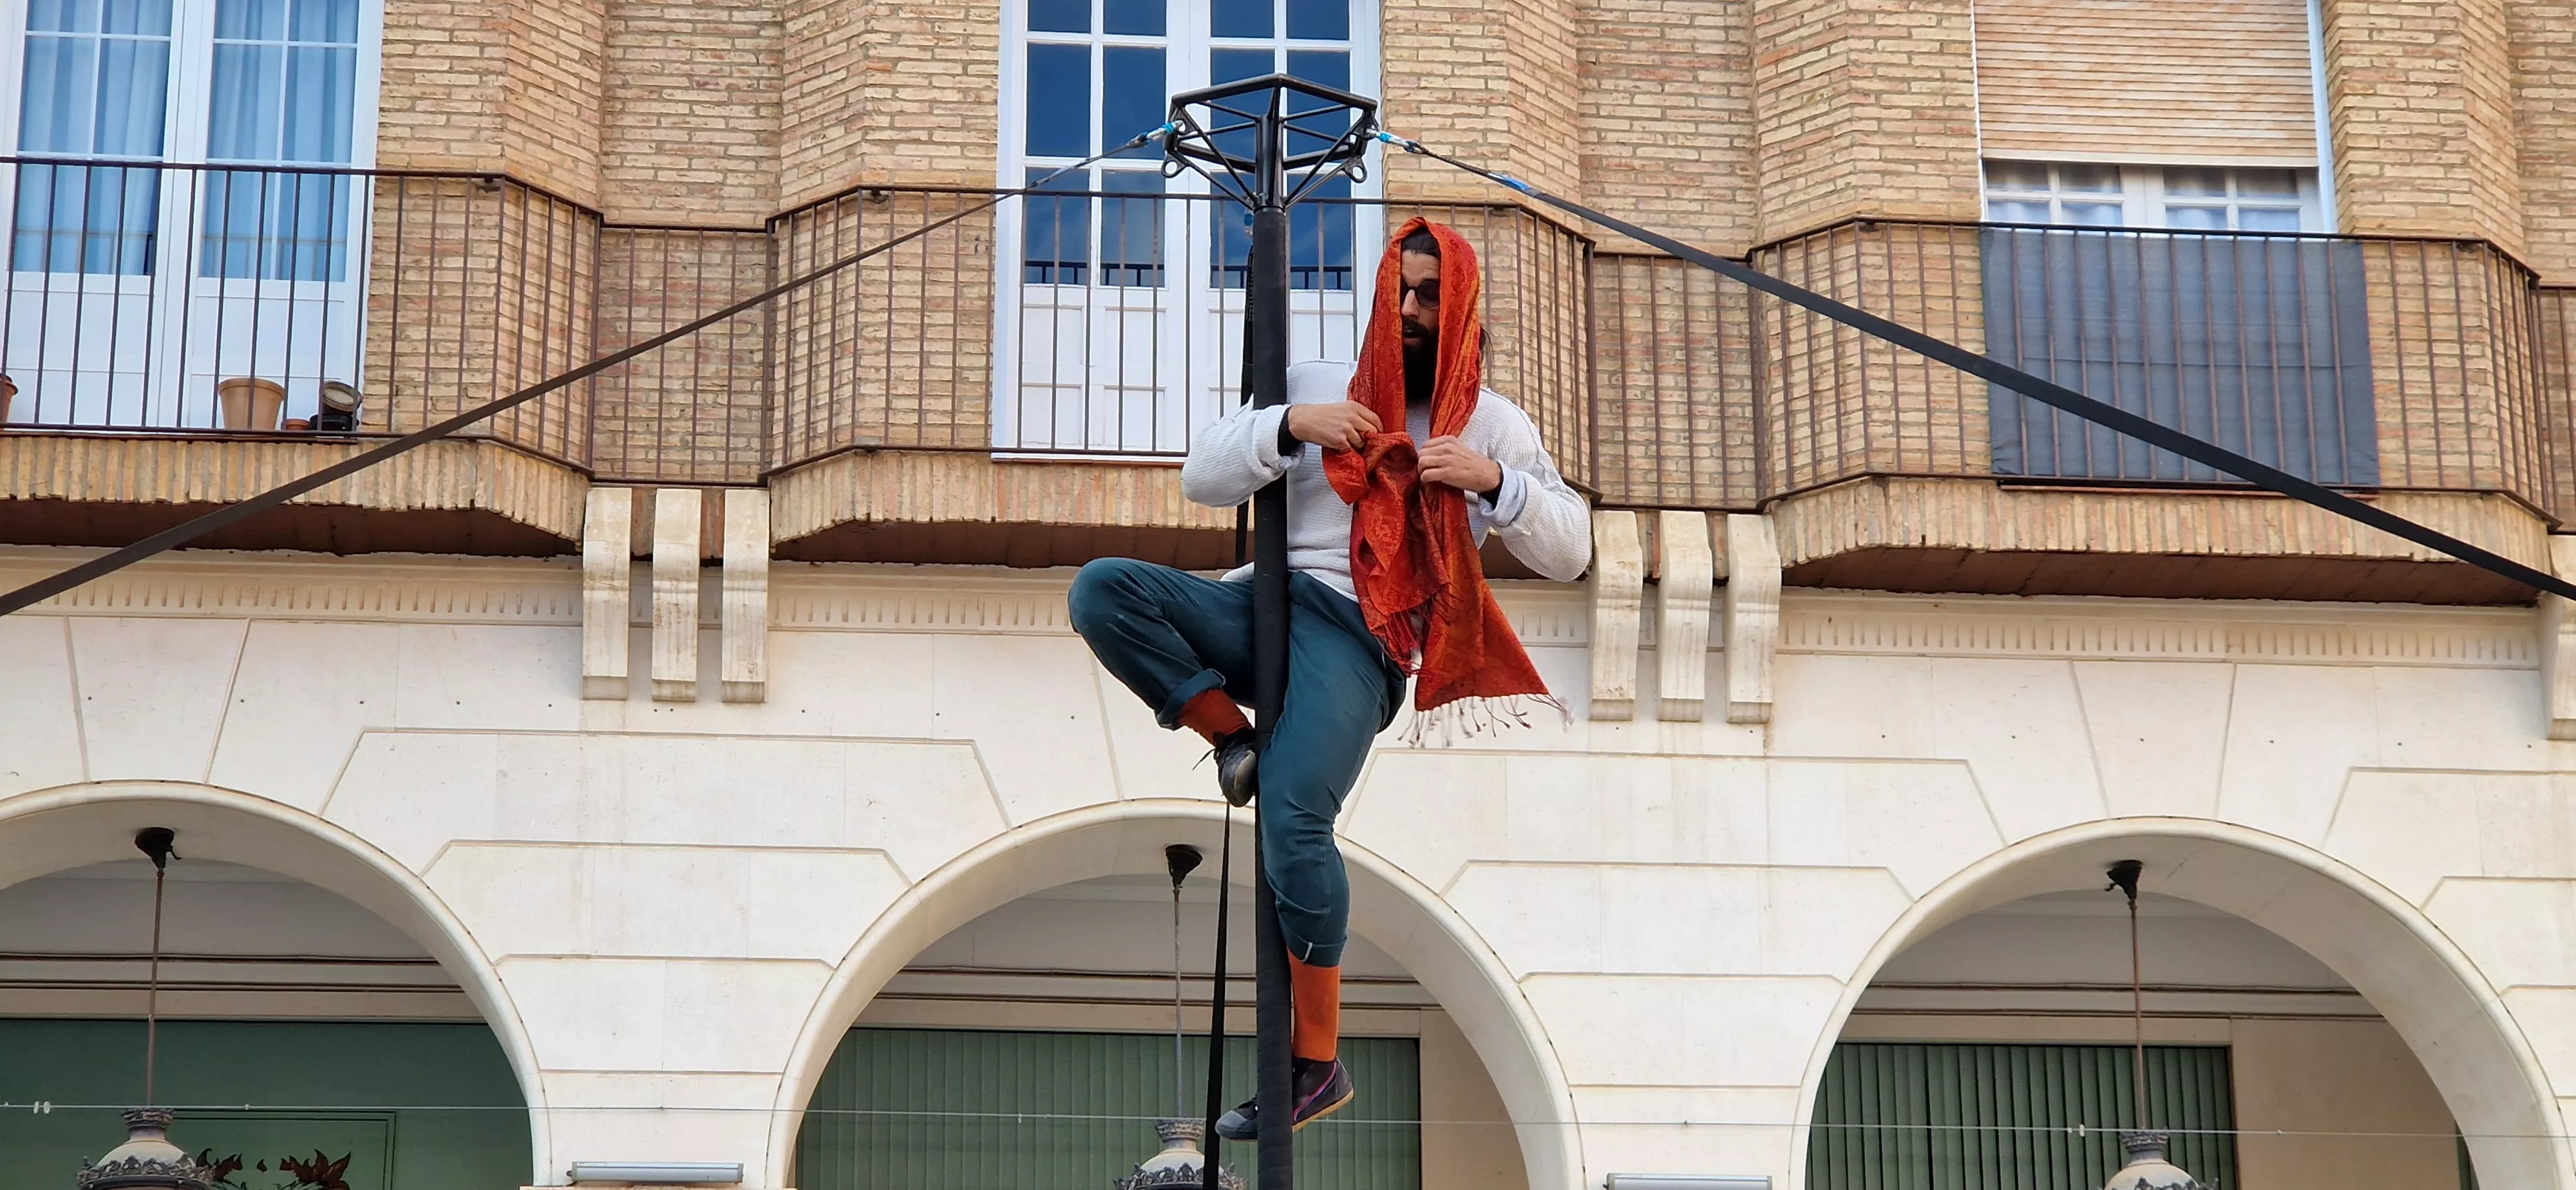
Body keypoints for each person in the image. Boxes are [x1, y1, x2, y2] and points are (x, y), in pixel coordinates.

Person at [1067, 218, 1591, 1138]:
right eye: (1401, 291)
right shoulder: (1315, 385)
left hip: (1361, 636)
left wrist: (1493, 482)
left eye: (1431, 296)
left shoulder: (1492, 424)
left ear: (1462, 308)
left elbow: (1571, 549)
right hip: (1263, 602)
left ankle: (1316, 1064)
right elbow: (1202, 476)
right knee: (1103, 590)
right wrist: (1288, 425)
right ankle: (1232, 738)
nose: (1413, 309)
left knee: (1295, 820)